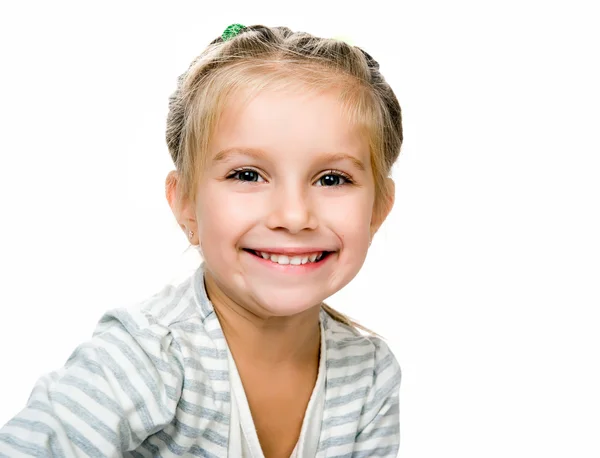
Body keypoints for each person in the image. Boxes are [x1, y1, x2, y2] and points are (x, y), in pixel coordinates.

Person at [0, 23, 403, 458]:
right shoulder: (144, 357)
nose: (293, 215)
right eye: (247, 175)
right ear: (186, 203)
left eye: (332, 178)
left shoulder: (369, 373)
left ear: (378, 209)